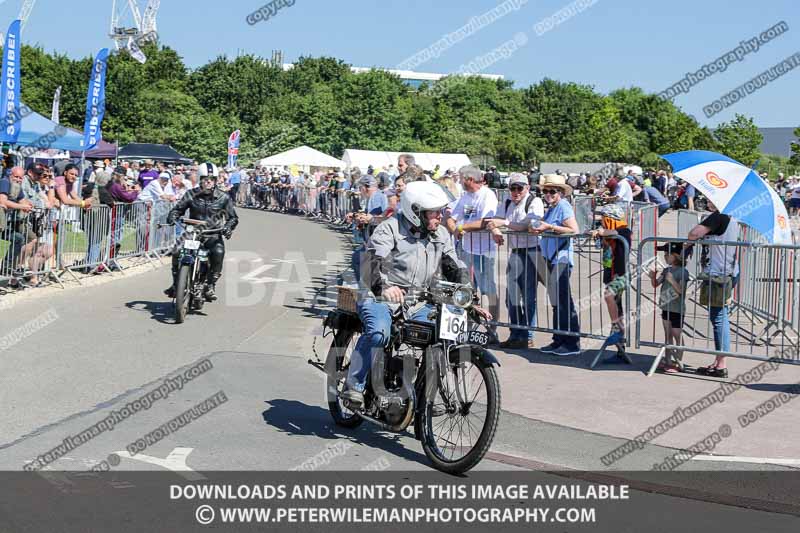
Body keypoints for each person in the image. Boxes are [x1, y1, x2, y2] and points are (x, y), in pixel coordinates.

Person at [340, 181, 492, 407]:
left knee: (440, 335)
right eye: (434, 212)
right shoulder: (390, 228)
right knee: (379, 332)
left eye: (441, 211)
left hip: (417, 302)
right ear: (415, 212)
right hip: (378, 294)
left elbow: (455, 267)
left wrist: (468, 298)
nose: (440, 217)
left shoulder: (440, 234)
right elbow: (369, 261)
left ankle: (421, 396)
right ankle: (354, 384)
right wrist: (384, 288)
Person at [486, 173, 545, 349]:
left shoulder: (534, 202)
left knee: (527, 296)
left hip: (533, 252)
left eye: (520, 188)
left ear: (527, 188)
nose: (516, 192)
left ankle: (527, 335)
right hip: (515, 252)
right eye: (513, 188)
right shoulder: (506, 203)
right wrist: (495, 230)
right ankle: (515, 333)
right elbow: (491, 222)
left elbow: (527, 226)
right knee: (511, 297)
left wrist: (503, 222)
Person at [164, 163, 238, 302]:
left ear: (216, 180)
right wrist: (173, 215)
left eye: (212, 178)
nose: (208, 181)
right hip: (192, 233)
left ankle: (210, 285)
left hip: (212, 234)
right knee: (176, 250)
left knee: (218, 253)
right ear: (200, 179)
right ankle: (176, 284)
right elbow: (178, 209)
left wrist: (228, 227)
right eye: (205, 178)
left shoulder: (223, 197)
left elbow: (233, 217)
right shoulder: (191, 194)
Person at [447, 165, 501, 335]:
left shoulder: (487, 195)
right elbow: (451, 217)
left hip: (484, 251)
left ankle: (492, 329)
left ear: (469, 179)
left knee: (489, 291)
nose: (460, 182)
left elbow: (486, 221)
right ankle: (468, 326)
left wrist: (461, 228)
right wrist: (454, 227)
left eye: (461, 179)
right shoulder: (465, 196)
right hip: (466, 250)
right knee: (467, 289)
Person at [687, 202, 739, 377]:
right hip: (726, 271)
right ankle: (718, 361)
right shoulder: (733, 218)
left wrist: (691, 240)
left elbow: (694, 233)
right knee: (719, 316)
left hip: (719, 274)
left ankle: (721, 364)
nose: (707, 199)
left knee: (719, 317)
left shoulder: (719, 216)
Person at [531, 174, 581, 356]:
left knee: (563, 302)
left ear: (560, 192)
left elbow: (574, 230)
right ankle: (558, 339)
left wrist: (549, 227)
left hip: (561, 260)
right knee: (557, 301)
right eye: (546, 191)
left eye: (552, 191)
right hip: (552, 259)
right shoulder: (553, 207)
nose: (548, 194)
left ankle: (571, 343)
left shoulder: (563, 206)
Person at [588, 203, 632, 352]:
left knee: (609, 296)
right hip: (610, 271)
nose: (603, 221)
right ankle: (620, 345)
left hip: (620, 273)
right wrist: (595, 232)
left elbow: (615, 232)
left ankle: (617, 331)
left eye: (605, 218)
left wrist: (602, 231)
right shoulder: (607, 231)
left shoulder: (624, 230)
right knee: (617, 306)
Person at [650, 242, 689, 373]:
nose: (665, 256)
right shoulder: (667, 270)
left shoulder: (683, 272)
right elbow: (656, 284)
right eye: (664, 254)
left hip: (677, 309)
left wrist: (672, 280)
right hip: (666, 307)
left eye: (668, 254)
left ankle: (679, 362)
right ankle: (668, 361)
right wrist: (652, 276)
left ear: (676, 256)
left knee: (677, 335)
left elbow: (681, 291)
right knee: (667, 335)